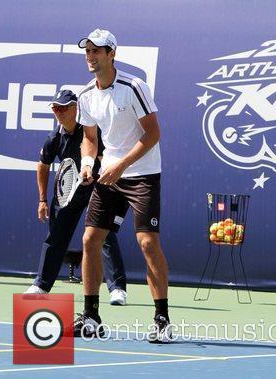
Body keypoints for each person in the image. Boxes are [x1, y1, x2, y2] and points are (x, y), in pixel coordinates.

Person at [74, 29, 171, 342]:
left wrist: (120, 165)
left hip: (142, 174)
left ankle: (162, 320)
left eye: (97, 51)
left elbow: (153, 134)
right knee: (90, 240)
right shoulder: (86, 93)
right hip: (108, 176)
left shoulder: (133, 86)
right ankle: (90, 317)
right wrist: (89, 165)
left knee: (147, 243)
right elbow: (89, 139)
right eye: (87, 51)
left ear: (111, 54)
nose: (91, 57)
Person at [24, 89, 128, 306]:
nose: (58, 112)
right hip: (69, 189)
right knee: (56, 236)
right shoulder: (54, 138)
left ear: (76, 109)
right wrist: (42, 199)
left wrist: (98, 177)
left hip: (98, 187)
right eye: (55, 108)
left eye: (63, 108)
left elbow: (108, 158)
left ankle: (117, 288)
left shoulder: (92, 131)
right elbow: (42, 166)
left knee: (103, 237)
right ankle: (42, 284)